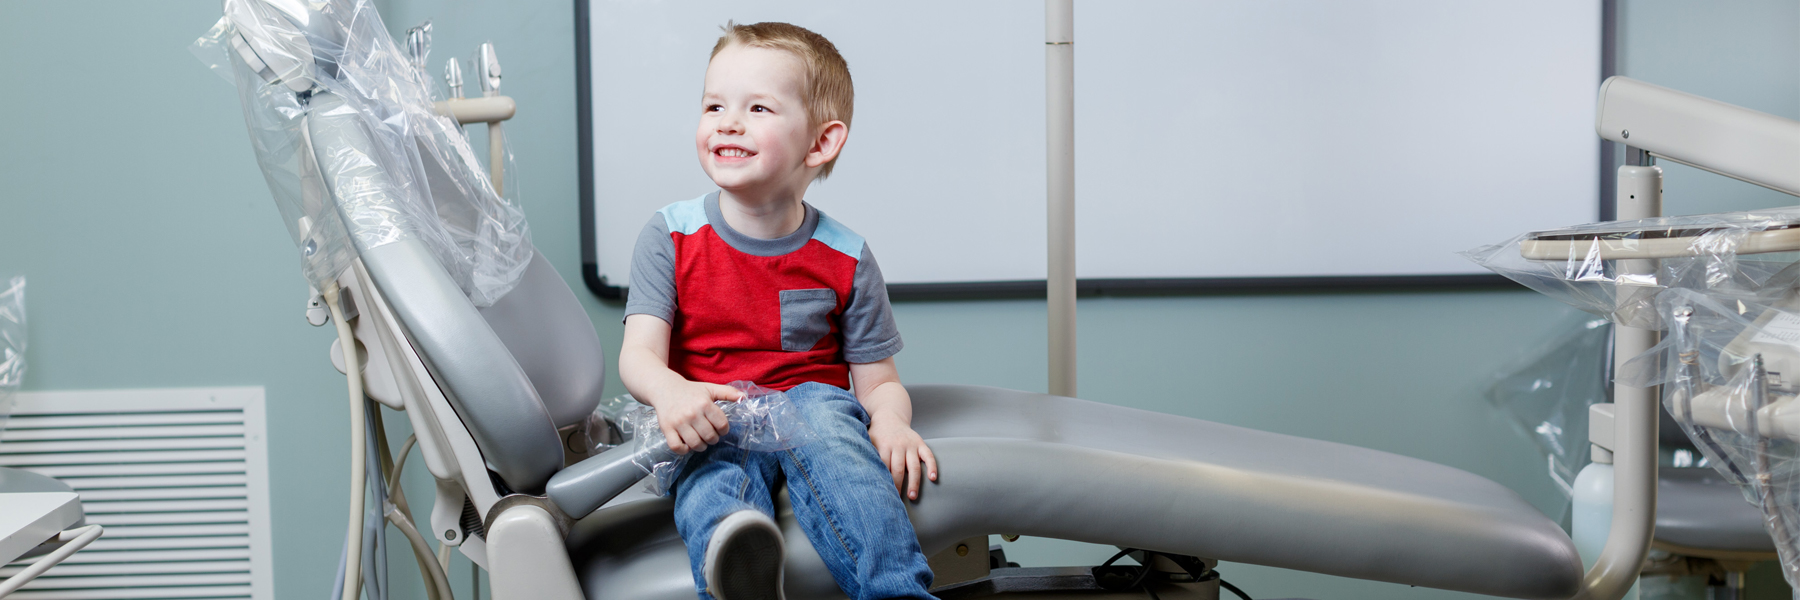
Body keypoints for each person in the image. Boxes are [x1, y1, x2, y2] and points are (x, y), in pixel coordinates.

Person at [617, 20, 939, 600]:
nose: (727, 122)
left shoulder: (846, 256)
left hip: (808, 406)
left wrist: (891, 421)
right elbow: (639, 356)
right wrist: (671, 392)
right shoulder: (669, 236)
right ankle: (740, 565)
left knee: (840, 446)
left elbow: (878, 384)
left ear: (821, 142)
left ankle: (897, 590)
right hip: (712, 408)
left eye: (758, 108)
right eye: (714, 105)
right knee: (711, 479)